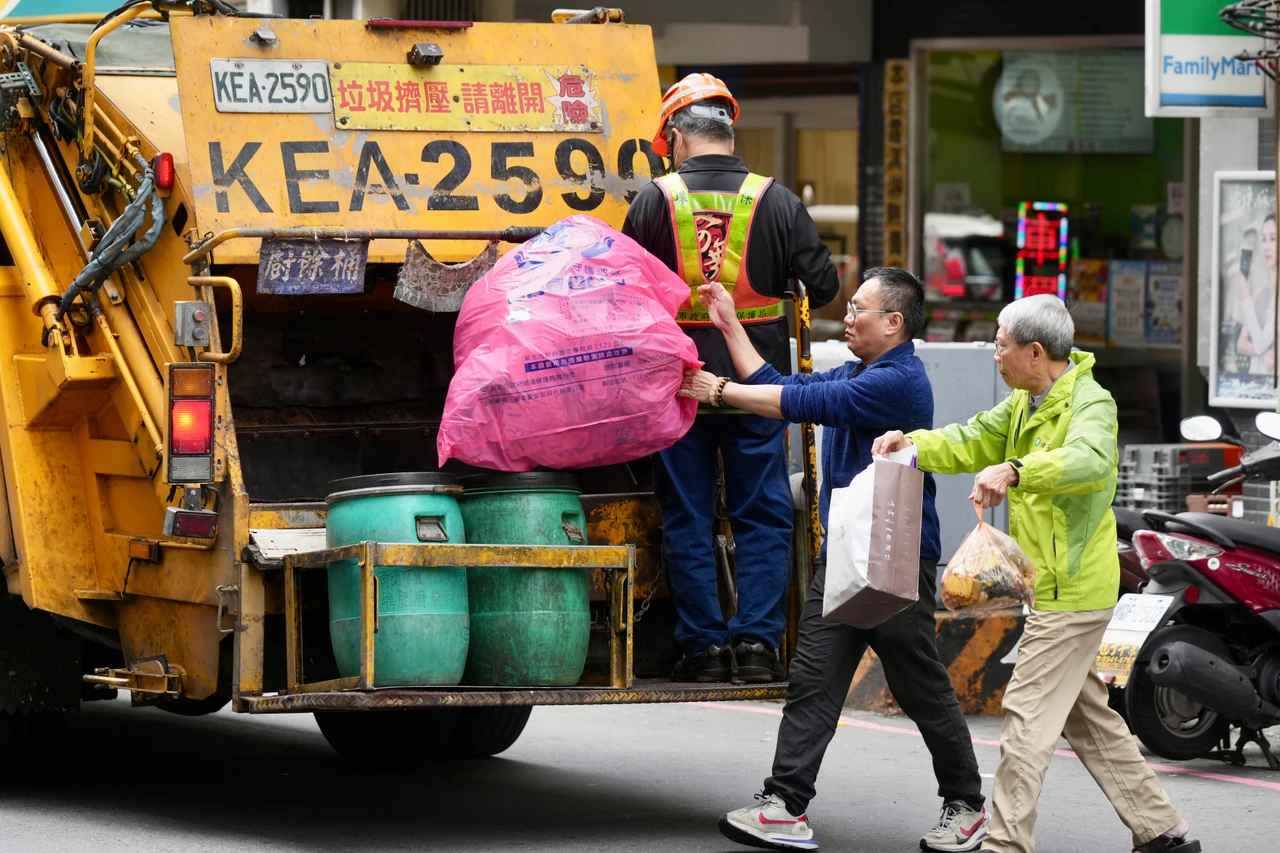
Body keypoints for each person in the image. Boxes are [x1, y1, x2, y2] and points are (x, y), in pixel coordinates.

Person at [873, 295, 1200, 853]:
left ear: (1034, 351)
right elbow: (972, 436)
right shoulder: (1024, 403)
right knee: (1086, 717)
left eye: (1000, 345)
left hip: (1072, 591)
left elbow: (1089, 461)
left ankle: (1006, 844)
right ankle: (1162, 830)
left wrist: (1017, 469)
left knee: (1025, 717)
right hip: (1048, 589)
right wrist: (915, 444)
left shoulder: (1090, 402)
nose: (994, 354)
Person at [680, 269, 989, 853]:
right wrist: (728, 322)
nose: (846, 318)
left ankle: (967, 806)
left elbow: (799, 403)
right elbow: (780, 385)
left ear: (893, 322)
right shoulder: (860, 371)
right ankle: (785, 805)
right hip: (847, 553)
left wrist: (719, 392)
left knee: (920, 687)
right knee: (814, 677)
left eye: (858, 309)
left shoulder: (898, 381)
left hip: (895, 557)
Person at [622, 73, 838, 682]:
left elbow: (623, 292)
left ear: (676, 138)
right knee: (763, 514)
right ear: (729, 134)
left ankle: (705, 650)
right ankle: (758, 647)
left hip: (678, 389)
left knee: (687, 516)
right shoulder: (778, 200)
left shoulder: (653, 201)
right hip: (759, 390)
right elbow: (823, 286)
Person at [1234, 212, 1276, 377]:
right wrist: (1264, 354)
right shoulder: (1260, 293)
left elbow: (1258, 344)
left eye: (1273, 239)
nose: (1266, 246)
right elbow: (1241, 344)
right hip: (1254, 382)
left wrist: (1246, 297)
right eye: (1264, 239)